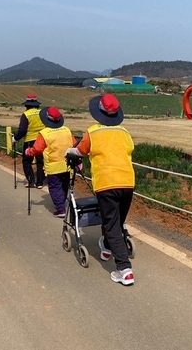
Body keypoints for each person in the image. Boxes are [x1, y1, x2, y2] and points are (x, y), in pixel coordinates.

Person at [65, 93, 135, 286]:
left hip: (106, 184)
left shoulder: (93, 132)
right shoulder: (125, 133)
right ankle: (106, 246)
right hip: (128, 182)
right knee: (116, 220)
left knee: (111, 224)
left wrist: (68, 152)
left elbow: (80, 151)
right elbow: (129, 150)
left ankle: (124, 269)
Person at [25, 106, 76, 217]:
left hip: (53, 166)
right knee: (64, 184)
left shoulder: (44, 133)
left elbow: (37, 149)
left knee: (54, 186)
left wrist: (28, 152)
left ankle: (60, 209)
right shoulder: (66, 130)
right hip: (67, 164)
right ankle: (62, 203)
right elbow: (74, 143)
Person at [12, 94, 45, 189]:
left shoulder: (26, 115)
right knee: (40, 161)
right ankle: (40, 182)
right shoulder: (41, 113)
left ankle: (31, 180)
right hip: (41, 140)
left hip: (30, 141)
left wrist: (16, 138)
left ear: (27, 105)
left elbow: (22, 130)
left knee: (27, 161)